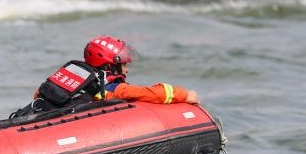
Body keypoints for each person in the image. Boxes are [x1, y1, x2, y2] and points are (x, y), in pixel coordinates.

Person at [23, 35, 199, 115]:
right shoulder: (111, 88)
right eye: (123, 65)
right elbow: (151, 93)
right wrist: (185, 95)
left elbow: (38, 94)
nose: (126, 70)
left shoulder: (72, 75)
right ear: (109, 65)